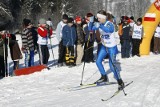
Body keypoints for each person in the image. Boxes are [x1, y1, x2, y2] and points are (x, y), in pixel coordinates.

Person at [93, 10, 124, 90]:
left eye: (99, 18)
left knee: (112, 65)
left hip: (112, 48)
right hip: (104, 46)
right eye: (97, 18)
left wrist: (99, 26)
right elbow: (91, 28)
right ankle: (104, 76)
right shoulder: (100, 23)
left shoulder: (109, 24)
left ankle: (120, 81)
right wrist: (90, 22)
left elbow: (109, 30)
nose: (98, 19)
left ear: (103, 18)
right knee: (98, 61)